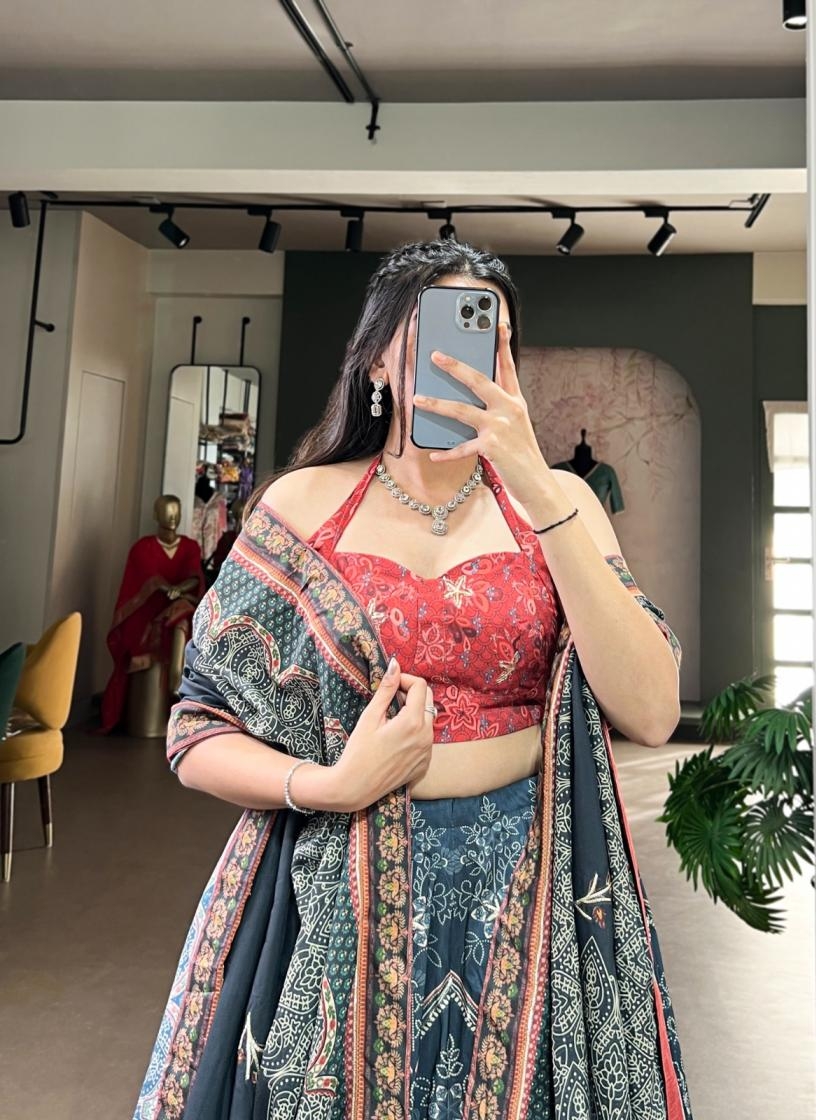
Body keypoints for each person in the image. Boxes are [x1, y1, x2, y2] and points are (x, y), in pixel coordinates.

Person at [134, 242, 691, 1119]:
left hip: (532, 896)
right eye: (436, 335)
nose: (462, 361)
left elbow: (653, 711)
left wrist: (538, 487)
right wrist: (328, 784)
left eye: (489, 340)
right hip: (334, 890)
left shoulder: (562, 505)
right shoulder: (301, 507)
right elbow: (196, 729)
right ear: (376, 362)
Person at [100, 495, 204, 733]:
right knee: (178, 614)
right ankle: (176, 681)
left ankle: (177, 678)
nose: (172, 517)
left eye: (176, 512)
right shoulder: (143, 547)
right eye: (166, 512)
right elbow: (146, 581)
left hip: (177, 611)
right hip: (146, 614)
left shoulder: (190, 546)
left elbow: (194, 575)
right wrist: (168, 589)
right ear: (156, 515)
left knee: (182, 614)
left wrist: (179, 589)